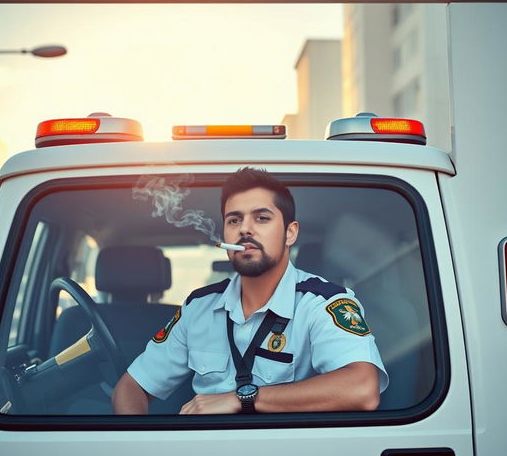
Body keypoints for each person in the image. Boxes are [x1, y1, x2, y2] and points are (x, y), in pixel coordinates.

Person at [112, 167, 388, 415]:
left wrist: (242, 398)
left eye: (262, 218)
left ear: (290, 233)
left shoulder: (323, 304)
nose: (245, 229)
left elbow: (362, 389)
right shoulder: (198, 308)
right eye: (234, 220)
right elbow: (131, 388)